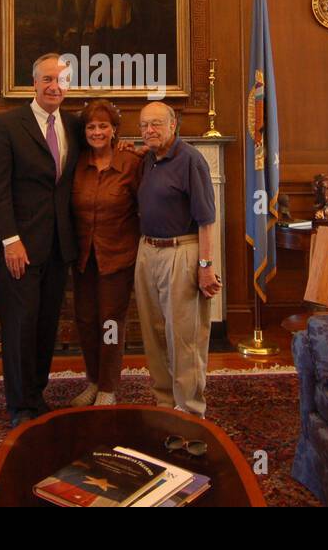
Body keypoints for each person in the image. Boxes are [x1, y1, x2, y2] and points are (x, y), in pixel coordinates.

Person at [0, 53, 82, 426]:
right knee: (20, 325)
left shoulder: (72, 125)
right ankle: (19, 406)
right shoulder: (7, 126)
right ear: (34, 82)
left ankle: (36, 395)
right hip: (19, 246)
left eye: (62, 80)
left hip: (58, 246)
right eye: (47, 80)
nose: (54, 86)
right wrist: (9, 239)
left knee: (45, 325)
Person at [134, 101, 220, 417]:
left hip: (181, 252)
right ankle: (164, 404)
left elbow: (207, 221)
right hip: (147, 252)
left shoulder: (191, 161)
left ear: (174, 125)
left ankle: (190, 410)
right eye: (144, 125)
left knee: (184, 338)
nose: (149, 130)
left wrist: (206, 267)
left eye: (156, 123)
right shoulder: (148, 160)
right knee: (154, 335)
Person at [69, 98, 142, 406]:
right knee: (86, 320)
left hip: (118, 256)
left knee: (110, 322)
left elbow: (146, 207)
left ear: (114, 130)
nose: (97, 132)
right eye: (91, 127)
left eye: (103, 126)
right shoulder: (76, 162)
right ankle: (93, 380)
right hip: (83, 256)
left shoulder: (131, 162)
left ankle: (109, 387)